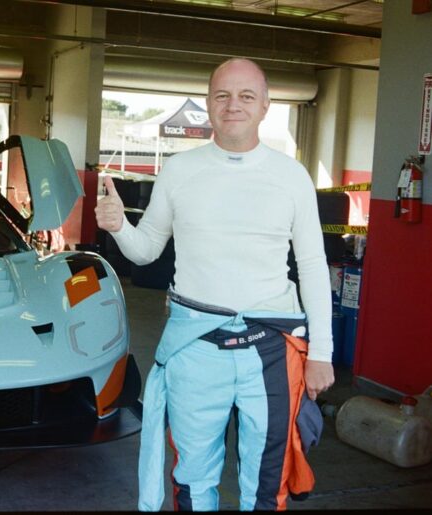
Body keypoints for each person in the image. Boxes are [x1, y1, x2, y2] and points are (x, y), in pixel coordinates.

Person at [96, 58, 334, 511]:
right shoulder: (180, 170)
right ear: (208, 104)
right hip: (195, 346)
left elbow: (313, 265)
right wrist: (118, 227)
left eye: (246, 96)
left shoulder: (291, 177)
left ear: (265, 106)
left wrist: (320, 353)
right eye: (222, 95)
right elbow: (146, 250)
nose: (233, 105)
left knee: (267, 482)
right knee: (192, 475)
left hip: (271, 348)